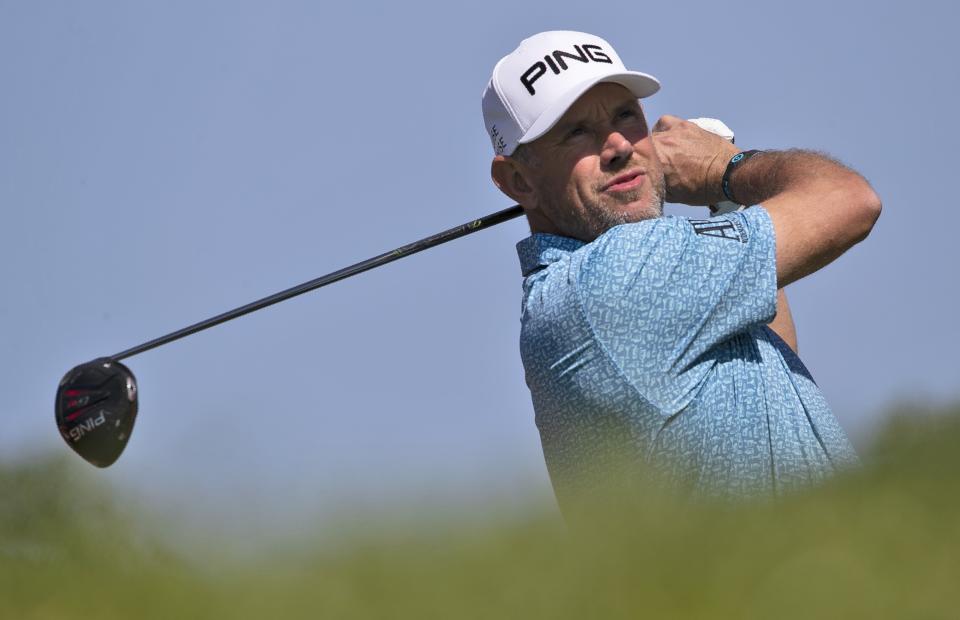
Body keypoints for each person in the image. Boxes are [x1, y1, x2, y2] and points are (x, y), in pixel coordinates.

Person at [481, 31, 881, 511]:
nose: (617, 146)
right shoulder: (613, 277)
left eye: (626, 116)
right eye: (576, 132)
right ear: (518, 181)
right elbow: (849, 200)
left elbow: (765, 346)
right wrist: (724, 166)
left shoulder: (576, 291)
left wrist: (725, 200)